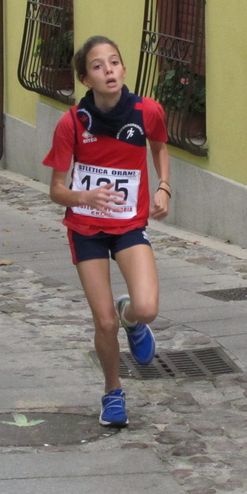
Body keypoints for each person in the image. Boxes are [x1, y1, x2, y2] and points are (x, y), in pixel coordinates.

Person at [42, 35, 171, 428]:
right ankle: (113, 391)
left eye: (114, 62)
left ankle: (132, 319)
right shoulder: (72, 124)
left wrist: (164, 185)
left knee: (147, 307)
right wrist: (86, 196)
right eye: (98, 66)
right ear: (86, 78)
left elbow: (161, 146)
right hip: (86, 229)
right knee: (103, 323)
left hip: (129, 224)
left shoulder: (147, 111)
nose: (109, 70)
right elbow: (56, 191)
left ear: (124, 69)